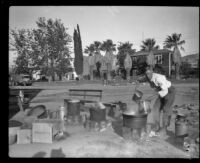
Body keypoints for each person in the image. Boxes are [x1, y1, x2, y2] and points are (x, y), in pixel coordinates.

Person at [137, 65, 176, 137]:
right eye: (146, 74)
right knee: (155, 108)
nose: (147, 75)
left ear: (152, 72)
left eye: (149, 73)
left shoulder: (159, 78)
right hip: (161, 92)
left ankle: (164, 130)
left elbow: (165, 91)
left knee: (165, 110)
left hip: (169, 92)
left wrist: (152, 97)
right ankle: (157, 127)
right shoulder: (148, 78)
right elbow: (144, 86)